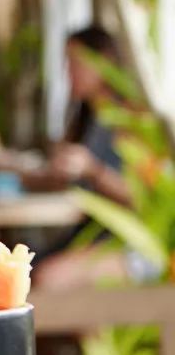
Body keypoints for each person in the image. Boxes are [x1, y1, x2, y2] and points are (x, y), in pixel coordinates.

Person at [30, 26, 138, 290]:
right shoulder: (87, 118)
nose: (69, 72)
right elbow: (65, 183)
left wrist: (93, 170)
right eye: (67, 63)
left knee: (44, 279)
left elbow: (140, 198)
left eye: (76, 62)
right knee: (23, 269)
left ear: (106, 61)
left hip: (125, 240)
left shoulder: (132, 118)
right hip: (85, 232)